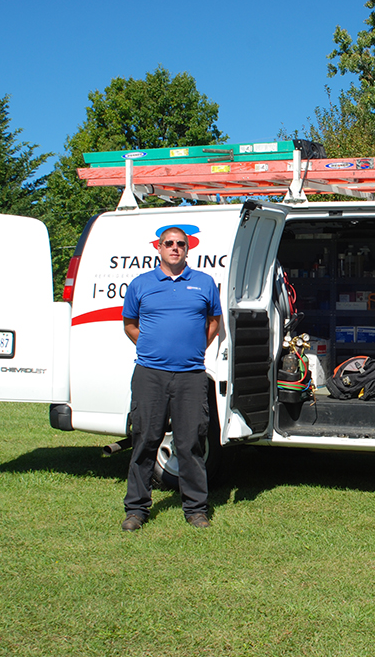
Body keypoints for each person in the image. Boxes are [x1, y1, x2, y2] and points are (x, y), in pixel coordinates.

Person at [120, 226, 222, 531]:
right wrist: (152, 348)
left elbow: (214, 321)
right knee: (145, 440)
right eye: (169, 243)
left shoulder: (204, 283)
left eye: (180, 244)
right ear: (159, 248)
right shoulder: (142, 284)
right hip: (150, 374)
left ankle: (195, 510)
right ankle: (136, 510)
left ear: (188, 249)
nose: (174, 248)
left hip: (191, 375)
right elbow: (129, 324)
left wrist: (194, 349)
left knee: (190, 442)